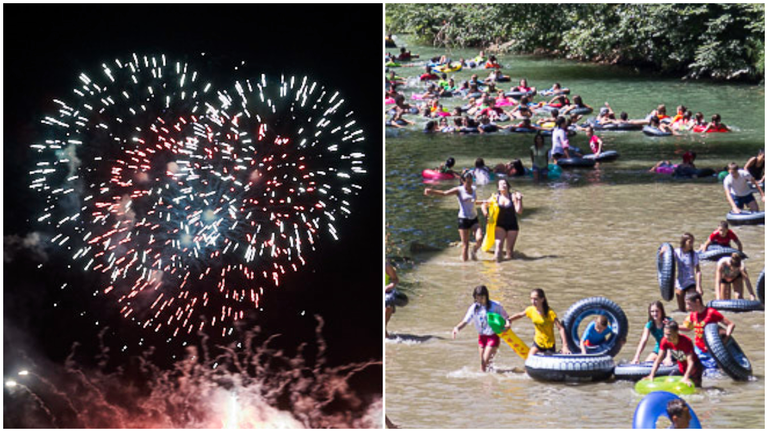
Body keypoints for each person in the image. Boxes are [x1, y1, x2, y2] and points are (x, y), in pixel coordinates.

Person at [424, 172, 483, 261]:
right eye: (467, 182)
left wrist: (486, 202)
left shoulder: (474, 189)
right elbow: (444, 193)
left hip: (474, 218)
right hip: (463, 219)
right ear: (463, 181)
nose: (470, 184)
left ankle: (474, 251)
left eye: (471, 182)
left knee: (480, 238)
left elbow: (474, 202)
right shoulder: (459, 190)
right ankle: (465, 268)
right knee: (465, 245)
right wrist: (431, 191)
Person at [452, 285, 510, 372]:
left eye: (482, 297)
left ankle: (491, 379)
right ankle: (490, 382)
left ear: (486, 296)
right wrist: (456, 329)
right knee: (483, 367)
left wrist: (507, 324)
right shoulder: (474, 308)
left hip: (493, 336)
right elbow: (465, 321)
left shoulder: (495, 306)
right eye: (477, 297)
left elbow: (506, 317)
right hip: (482, 337)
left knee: (484, 362)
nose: (479, 300)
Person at [506, 288, 571, 356]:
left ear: (542, 299)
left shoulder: (550, 313)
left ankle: (559, 353)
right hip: (538, 342)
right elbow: (520, 315)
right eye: (531, 299)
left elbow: (561, 328)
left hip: (549, 345)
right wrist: (509, 320)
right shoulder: (531, 310)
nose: (533, 301)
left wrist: (565, 346)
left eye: (535, 299)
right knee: (529, 360)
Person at [680, 292, 735, 365]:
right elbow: (688, 328)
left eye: (689, 304)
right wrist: (673, 326)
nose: (687, 307)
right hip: (698, 349)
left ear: (697, 302)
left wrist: (724, 341)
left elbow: (731, 324)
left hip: (711, 351)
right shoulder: (693, 314)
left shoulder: (711, 313)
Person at [645, 320, 703, 388]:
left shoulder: (686, 341)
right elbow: (658, 360)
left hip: (694, 369)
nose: (666, 337)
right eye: (665, 334)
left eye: (669, 334)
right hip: (681, 368)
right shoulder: (664, 341)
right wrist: (652, 375)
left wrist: (686, 377)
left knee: (696, 389)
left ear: (676, 332)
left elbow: (691, 362)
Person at [482, 179, 523, 262]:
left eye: (505, 183)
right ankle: (497, 269)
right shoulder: (495, 197)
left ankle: (508, 270)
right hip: (499, 225)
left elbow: (519, 211)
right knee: (498, 248)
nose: (503, 185)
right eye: (501, 184)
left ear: (508, 186)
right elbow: (484, 205)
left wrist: (520, 200)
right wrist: (487, 215)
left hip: (512, 225)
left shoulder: (513, 196)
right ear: (498, 188)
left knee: (509, 252)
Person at [660, 233, 702, 312]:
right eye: (690, 242)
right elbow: (666, 263)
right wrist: (662, 253)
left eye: (692, 242)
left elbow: (698, 271)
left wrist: (699, 286)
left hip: (691, 282)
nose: (691, 244)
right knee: (682, 310)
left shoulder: (694, 254)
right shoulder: (676, 252)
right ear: (684, 242)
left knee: (693, 306)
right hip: (680, 283)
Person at [631, 301, 674, 365]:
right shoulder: (650, 324)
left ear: (661, 311)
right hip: (659, 348)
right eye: (652, 311)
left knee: (672, 362)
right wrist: (636, 357)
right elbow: (643, 340)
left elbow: (671, 340)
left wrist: (668, 357)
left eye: (657, 311)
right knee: (647, 363)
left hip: (673, 348)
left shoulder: (669, 322)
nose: (654, 313)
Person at [385, 262, 400, 338]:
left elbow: (395, 280)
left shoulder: (386, 266)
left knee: (389, 305)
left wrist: (387, 288)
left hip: (385, 293)